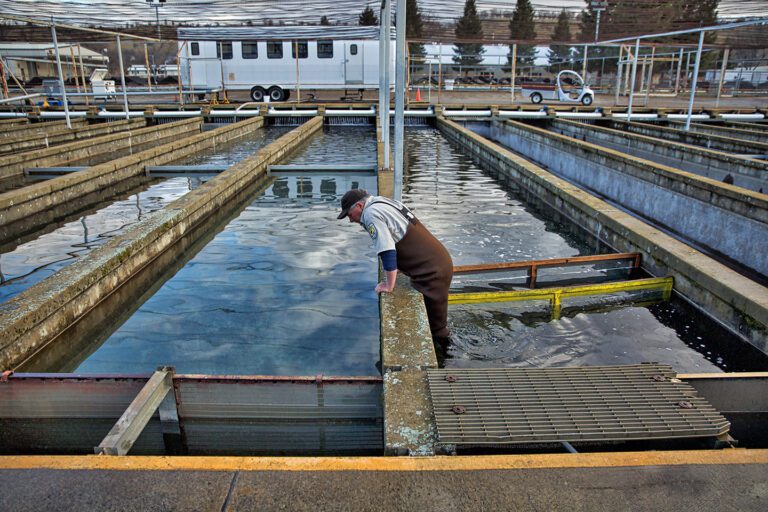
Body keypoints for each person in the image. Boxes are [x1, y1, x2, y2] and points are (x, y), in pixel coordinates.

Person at [337, 188, 453, 341]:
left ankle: (451, 359)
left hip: (431, 272)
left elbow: (387, 249)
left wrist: (388, 285)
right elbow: (398, 234)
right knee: (434, 322)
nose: (351, 220)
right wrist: (397, 268)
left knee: (437, 330)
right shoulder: (382, 202)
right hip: (438, 262)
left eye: (350, 215)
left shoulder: (371, 213)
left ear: (359, 206)